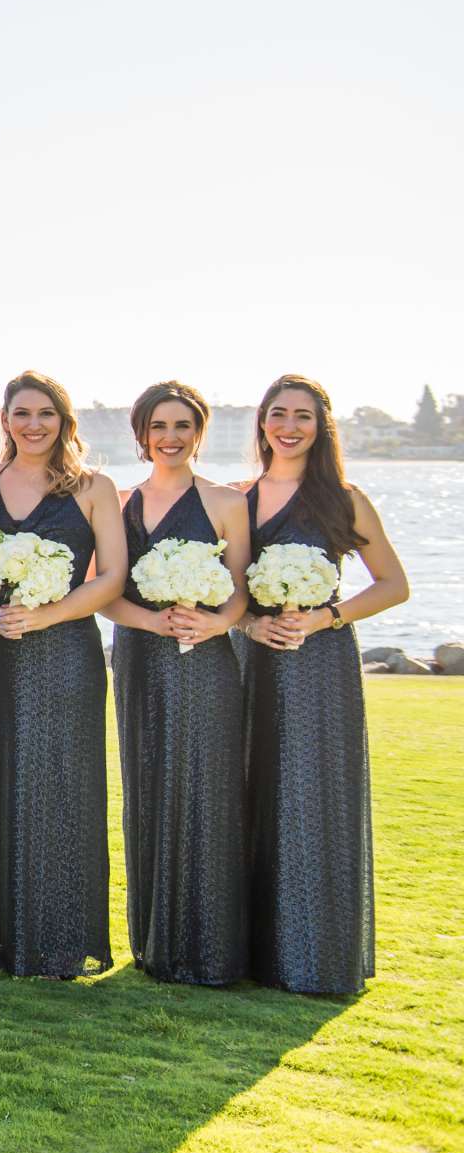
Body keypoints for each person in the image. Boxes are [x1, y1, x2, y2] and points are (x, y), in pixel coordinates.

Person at [241, 374, 408, 996]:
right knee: (254, 790)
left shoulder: (344, 499)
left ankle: (316, 952)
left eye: (303, 416)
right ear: (262, 423)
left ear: (321, 426)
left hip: (321, 661)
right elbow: (228, 585)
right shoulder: (241, 499)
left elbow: (393, 584)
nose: (289, 425)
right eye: (278, 413)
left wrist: (325, 616)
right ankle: (255, 951)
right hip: (252, 659)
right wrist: (252, 627)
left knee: (314, 796)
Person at [0, 371, 124, 978]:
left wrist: (50, 613)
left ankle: (59, 938)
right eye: (21, 413)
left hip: (67, 650)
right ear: (4, 420)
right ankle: (0, 932)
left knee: (63, 783)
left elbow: (111, 578)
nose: (33, 424)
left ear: (63, 420)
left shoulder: (95, 488)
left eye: (45, 413)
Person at [102, 380, 250, 986]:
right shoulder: (119, 502)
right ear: (142, 435)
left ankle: (211, 945)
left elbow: (242, 589)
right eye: (158, 427)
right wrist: (152, 621)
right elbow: (103, 591)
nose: (170, 437)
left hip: (206, 659)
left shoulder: (225, 502)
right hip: (140, 655)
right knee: (149, 786)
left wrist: (214, 624)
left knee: (206, 787)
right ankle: (156, 943)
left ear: (199, 432)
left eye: (182, 426)